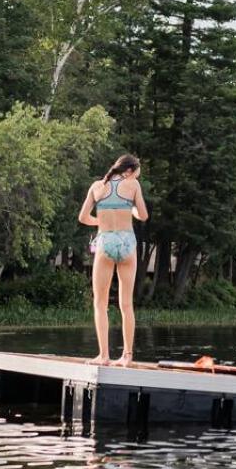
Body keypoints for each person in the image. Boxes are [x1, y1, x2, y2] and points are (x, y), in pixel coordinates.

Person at [78, 153, 148, 366]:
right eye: (136, 173)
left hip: (105, 242)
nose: (135, 176)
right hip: (127, 243)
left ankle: (104, 356)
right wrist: (132, 210)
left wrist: (101, 221)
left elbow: (82, 217)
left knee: (100, 303)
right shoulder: (133, 185)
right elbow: (143, 215)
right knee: (126, 304)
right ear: (129, 171)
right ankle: (127, 356)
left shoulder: (97, 186)